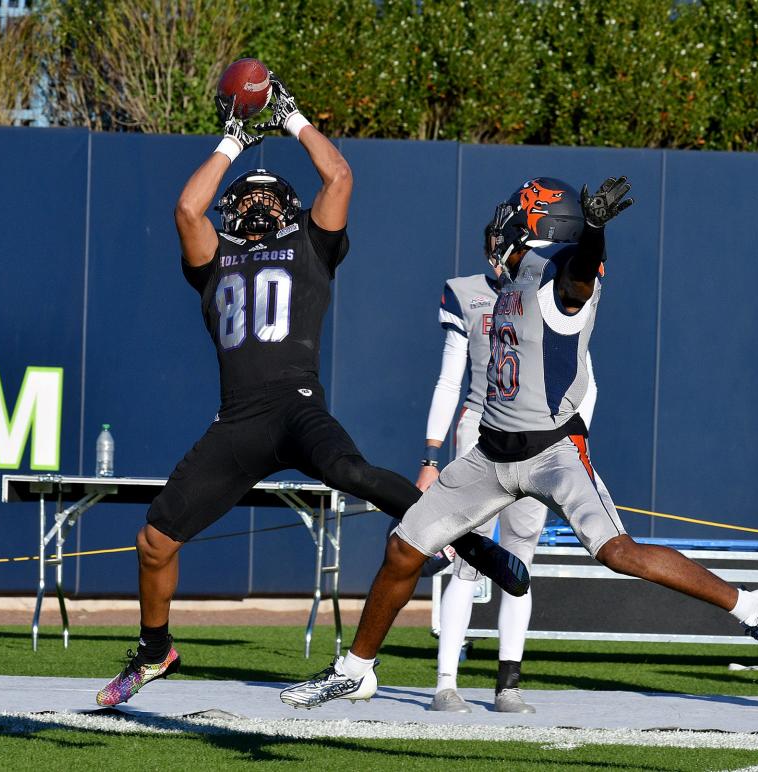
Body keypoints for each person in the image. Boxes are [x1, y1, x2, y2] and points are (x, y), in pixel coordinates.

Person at [280, 176, 758, 710]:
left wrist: (593, 231)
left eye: (515, 215)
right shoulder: (515, 276)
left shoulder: (563, 281)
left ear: (538, 223)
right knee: (403, 547)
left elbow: (576, 278)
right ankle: (357, 669)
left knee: (618, 552)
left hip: (553, 452)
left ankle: (752, 608)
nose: (501, 226)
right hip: (490, 452)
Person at [95, 73, 528, 707]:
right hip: (238, 421)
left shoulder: (309, 249)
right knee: (154, 541)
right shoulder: (214, 256)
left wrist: (293, 117)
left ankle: (465, 543)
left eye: (271, 199)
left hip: (296, 406)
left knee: (353, 471)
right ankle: (156, 647)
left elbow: (340, 178)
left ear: (290, 208)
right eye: (250, 198)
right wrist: (235, 142)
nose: (260, 206)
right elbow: (188, 209)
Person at [419, 234, 597, 714]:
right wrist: (431, 457)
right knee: (466, 560)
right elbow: (449, 378)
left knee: (520, 559)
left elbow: (586, 379)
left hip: (539, 433)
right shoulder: (469, 292)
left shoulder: (551, 291)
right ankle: (446, 682)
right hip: (481, 430)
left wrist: (572, 442)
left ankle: (508, 685)